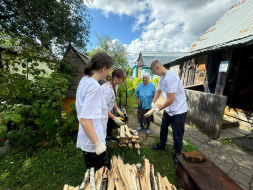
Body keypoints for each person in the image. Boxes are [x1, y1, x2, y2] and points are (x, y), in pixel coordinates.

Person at [75, 52, 114, 171]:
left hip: (89, 137)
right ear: (103, 69)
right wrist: (97, 143)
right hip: (93, 141)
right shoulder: (94, 87)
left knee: (92, 173)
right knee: (100, 175)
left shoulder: (85, 80)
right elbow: (84, 119)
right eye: (109, 69)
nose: (109, 73)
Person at [150, 60, 187, 167]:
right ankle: (162, 145)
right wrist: (153, 102)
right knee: (163, 127)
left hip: (179, 110)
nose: (154, 74)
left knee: (177, 134)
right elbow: (158, 92)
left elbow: (171, 99)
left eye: (154, 72)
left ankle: (177, 154)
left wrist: (159, 109)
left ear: (158, 67)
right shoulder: (162, 78)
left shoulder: (171, 78)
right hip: (169, 109)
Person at [101, 68, 125, 142]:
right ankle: (102, 144)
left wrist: (117, 109)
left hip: (107, 110)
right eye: (122, 79)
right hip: (101, 112)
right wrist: (114, 118)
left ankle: (109, 136)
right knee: (101, 129)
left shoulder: (115, 85)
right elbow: (103, 108)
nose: (123, 81)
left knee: (110, 122)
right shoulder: (108, 90)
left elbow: (112, 100)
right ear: (115, 77)